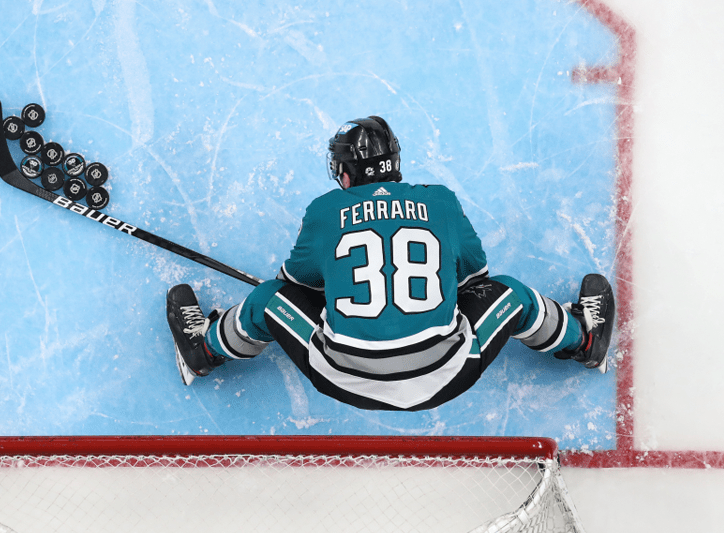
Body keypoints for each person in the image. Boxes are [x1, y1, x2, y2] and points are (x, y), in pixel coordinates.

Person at [166, 116, 614, 411]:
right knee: (512, 293)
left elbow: (298, 283)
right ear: (394, 162)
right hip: (447, 375)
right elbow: (474, 277)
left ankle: (203, 351)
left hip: (345, 377)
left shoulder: (325, 211)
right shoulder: (439, 201)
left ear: (344, 172)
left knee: (268, 300)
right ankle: (583, 342)